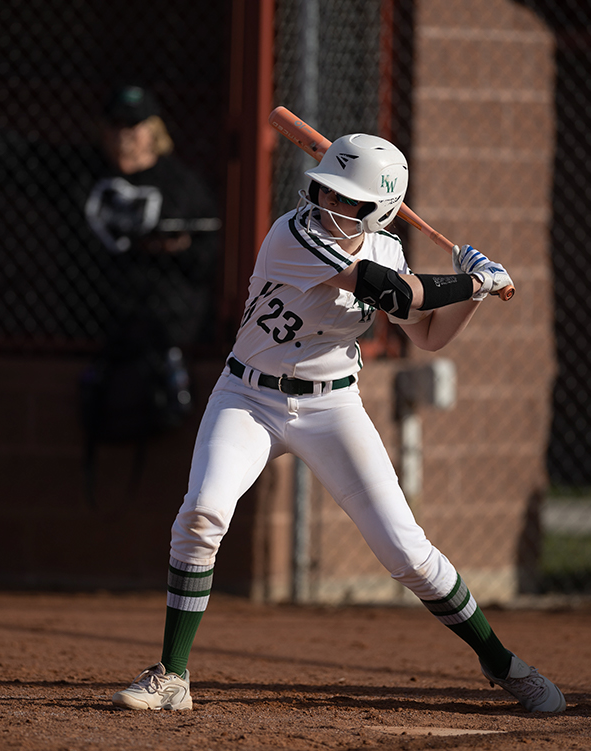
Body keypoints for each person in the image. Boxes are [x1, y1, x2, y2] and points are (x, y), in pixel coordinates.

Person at [111, 131, 565, 715]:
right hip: (247, 397)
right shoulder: (293, 233)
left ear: (380, 210)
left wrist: (471, 299)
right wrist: (474, 280)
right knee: (201, 514)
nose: (331, 202)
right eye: (327, 189)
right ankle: (173, 675)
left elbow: (428, 335)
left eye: (349, 198)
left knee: (406, 553)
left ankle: (502, 664)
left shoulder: (388, 249)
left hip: (333, 408)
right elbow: (392, 293)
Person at [0, 75, 218, 348]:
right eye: (115, 124)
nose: (123, 133)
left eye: (132, 124)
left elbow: (209, 249)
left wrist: (179, 248)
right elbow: (23, 161)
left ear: (153, 130)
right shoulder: (81, 170)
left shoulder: (182, 185)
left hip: (162, 325)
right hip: (92, 323)